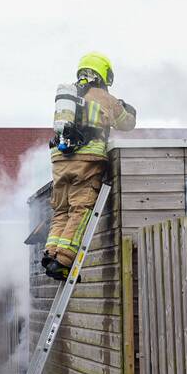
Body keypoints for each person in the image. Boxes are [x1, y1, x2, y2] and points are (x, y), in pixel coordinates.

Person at [44, 52, 136, 280]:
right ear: (104, 73)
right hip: (86, 160)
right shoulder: (104, 97)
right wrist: (127, 108)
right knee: (80, 208)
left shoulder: (71, 95)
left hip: (60, 161)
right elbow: (127, 124)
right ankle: (63, 261)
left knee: (62, 210)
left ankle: (51, 253)